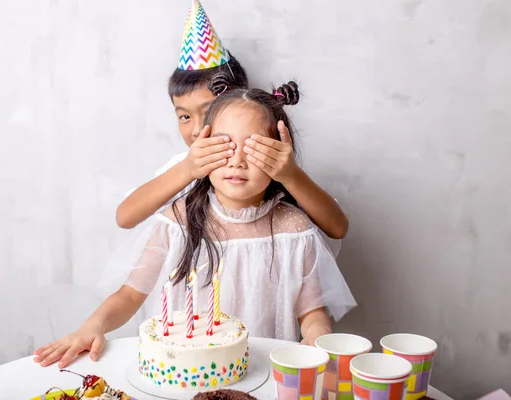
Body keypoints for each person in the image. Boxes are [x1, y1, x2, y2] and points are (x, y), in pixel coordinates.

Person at [33, 83, 356, 369]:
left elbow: (311, 310)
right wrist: (94, 325)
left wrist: (317, 335)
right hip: (181, 375)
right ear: (203, 146)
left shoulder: (294, 228)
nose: (237, 160)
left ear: (281, 154)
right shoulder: (178, 221)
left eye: (255, 148)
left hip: (260, 375)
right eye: (224, 145)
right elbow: (131, 294)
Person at [115, 0, 349, 245]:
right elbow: (125, 217)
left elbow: (337, 227)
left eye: (207, 114)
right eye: (184, 116)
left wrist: (290, 175)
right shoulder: (182, 167)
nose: (195, 130)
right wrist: (188, 169)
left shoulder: (263, 165)